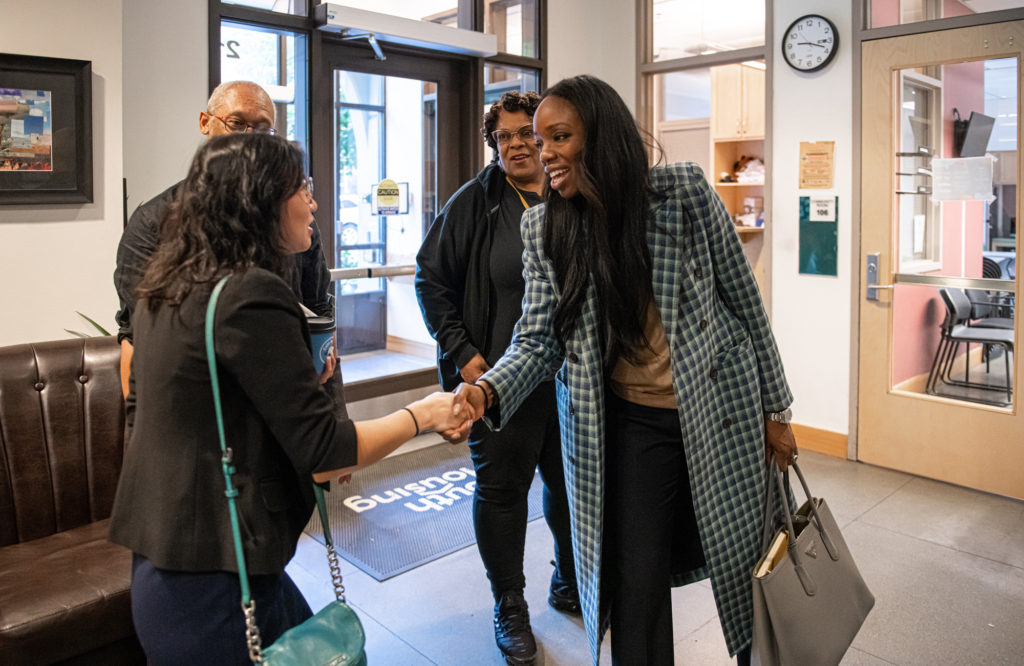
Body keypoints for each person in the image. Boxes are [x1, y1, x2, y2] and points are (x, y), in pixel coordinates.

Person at [452, 75, 798, 665]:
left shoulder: (683, 195)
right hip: (634, 424)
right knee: (635, 580)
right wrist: (486, 390)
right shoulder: (546, 228)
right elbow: (536, 339)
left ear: (602, 134)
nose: (547, 152)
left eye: (560, 136)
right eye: (541, 140)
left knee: (752, 565)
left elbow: (744, 302)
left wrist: (776, 410)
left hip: (724, 411)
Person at [108, 133, 470, 665]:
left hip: (167, 562)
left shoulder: (166, 286)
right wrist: (423, 414)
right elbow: (324, 449)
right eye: (302, 188)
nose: (314, 203)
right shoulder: (250, 293)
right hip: (220, 581)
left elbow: (166, 410)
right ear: (263, 200)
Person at [415, 90, 577, 665]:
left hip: (569, 385)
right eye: (503, 137)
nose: (515, 145)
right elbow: (429, 280)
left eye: (525, 133)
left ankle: (569, 576)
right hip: (500, 384)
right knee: (504, 491)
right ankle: (510, 604)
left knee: (569, 486)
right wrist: (463, 354)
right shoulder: (475, 203)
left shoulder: (571, 192)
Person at [113, 80, 346, 420]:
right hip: (203, 420)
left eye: (263, 129)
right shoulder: (155, 222)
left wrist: (334, 416)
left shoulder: (291, 221)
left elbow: (320, 317)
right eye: (237, 123)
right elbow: (136, 338)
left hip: (289, 411)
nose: (249, 138)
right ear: (205, 122)